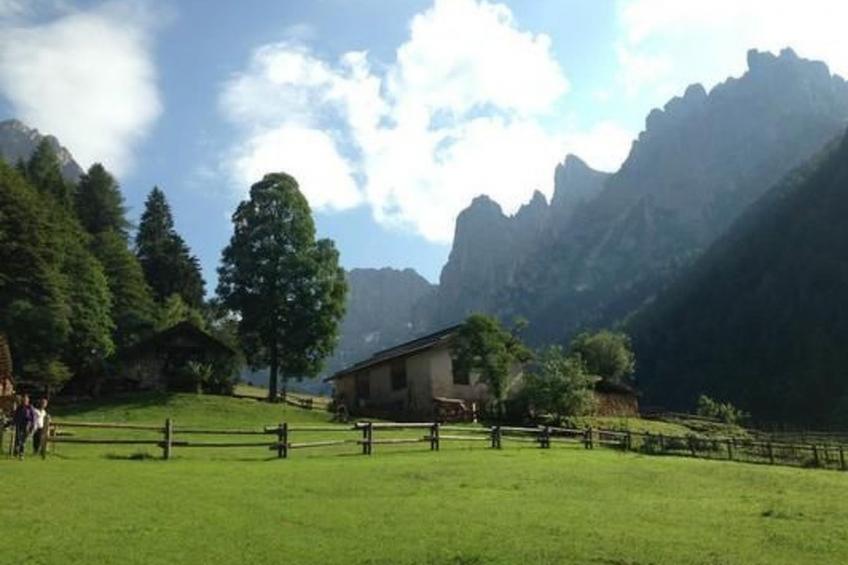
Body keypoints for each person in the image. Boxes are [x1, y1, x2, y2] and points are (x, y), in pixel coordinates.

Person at [12, 394, 34, 459]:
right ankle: (16, 452)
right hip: (19, 425)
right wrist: (14, 423)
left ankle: (21, 453)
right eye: (24, 400)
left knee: (23, 440)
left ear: (28, 400)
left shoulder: (30, 408)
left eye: (26, 400)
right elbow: (15, 416)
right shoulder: (19, 407)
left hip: (27, 425)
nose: (25, 401)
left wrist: (32, 427)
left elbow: (32, 418)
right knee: (18, 439)